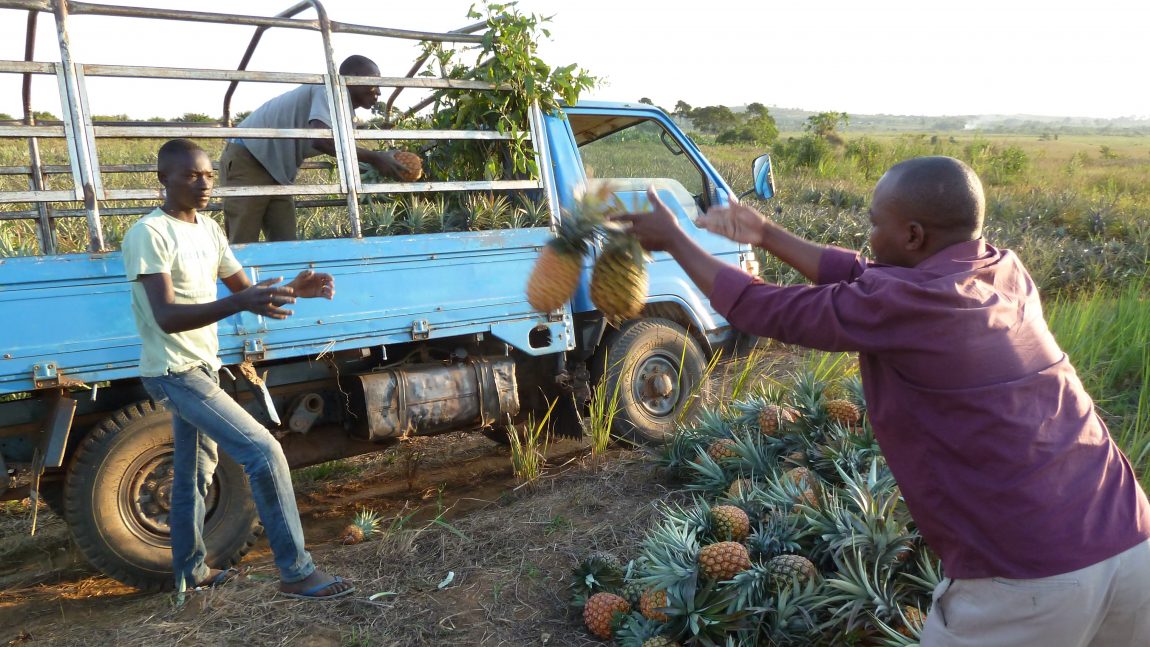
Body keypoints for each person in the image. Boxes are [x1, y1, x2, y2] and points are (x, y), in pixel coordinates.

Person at [615, 156, 1150, 646]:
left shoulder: (909, 303)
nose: (868, 236)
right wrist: (766, 233)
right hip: (1128, 539)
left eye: (875, 223)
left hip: (1027, 577)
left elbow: (763, 308)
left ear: (914, 234)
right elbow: (868, 274)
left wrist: (677, 240)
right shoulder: (1002, 271)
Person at [121, 138, 353, 599]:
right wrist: (239, 302)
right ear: (163, 180)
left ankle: (192, 573)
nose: (204, 183)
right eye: (191, 175)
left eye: (208, 175)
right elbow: (167, 316)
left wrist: (293, 290)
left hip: (202, 365)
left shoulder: (209, 229)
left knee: (193, 472)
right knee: (263, 451)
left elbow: (246, 291)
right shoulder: (148, 234)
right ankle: (296, 571)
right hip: (173, 370)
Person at [221, 54, 408, 243]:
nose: (378, 92)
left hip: (278, 172)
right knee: (243, 243)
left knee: (286, 243)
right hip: (249, 157)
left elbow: (344, 151)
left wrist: (379, 164)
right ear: (351, 78)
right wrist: (376, 158)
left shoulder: (346, 115)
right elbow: (320, 140)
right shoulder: (328, 89)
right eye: (373, 83)